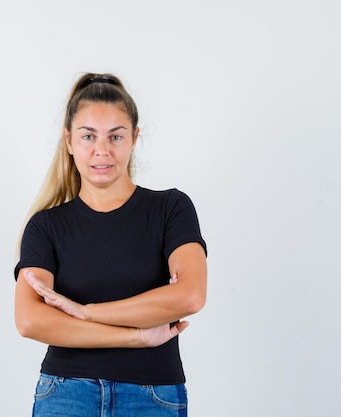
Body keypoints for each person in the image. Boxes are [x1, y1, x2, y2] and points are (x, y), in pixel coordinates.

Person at [14, 72, 207, 417]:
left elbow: (190, 296)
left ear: (134, 138)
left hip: (152, 395)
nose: (101, 150)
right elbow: (30, 320)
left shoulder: (170, 209)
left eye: (115, 136)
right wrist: (134, 336)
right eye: (88, 136)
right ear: (69, 141)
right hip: (66, 393)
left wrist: (86, 311)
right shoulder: (46, 226)